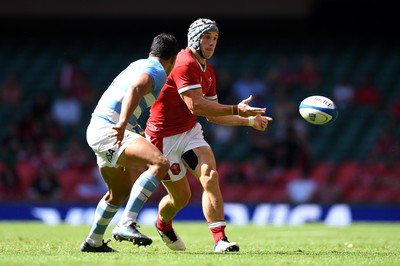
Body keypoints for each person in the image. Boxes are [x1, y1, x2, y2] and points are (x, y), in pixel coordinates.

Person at [119, 18, 270, 252]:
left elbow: (212, 115)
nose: (211, 43)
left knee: (210, 176)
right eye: (207, 37)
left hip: (189, 132)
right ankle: (163, 224)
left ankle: (220, 240)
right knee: (181, 198)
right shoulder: (183, 62)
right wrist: (236, 109)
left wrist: (249, 120)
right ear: (194, 39)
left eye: (215, 39)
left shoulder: (207, 70)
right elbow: (196, 107)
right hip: (162, 138)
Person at [80, 33, 180, 253]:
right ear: (172, 59)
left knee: (118, 192)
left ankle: (93, 241)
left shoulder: (138, 64)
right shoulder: (158, 71)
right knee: (159, 164)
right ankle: (126, 223)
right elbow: (135, 88)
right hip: (112, 129)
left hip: (97, 127)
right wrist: (123, 122)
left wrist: (132, 126)